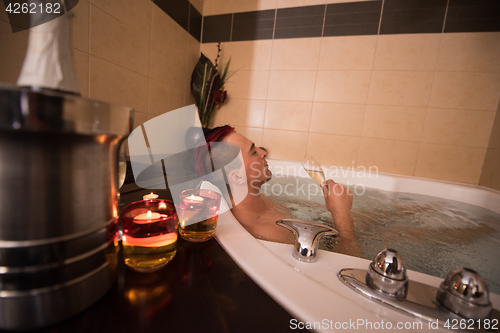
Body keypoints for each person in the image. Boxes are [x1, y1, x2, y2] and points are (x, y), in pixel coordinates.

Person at [194, 125, 360, 256]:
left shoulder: (258, 201)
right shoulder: (270, 233)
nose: (263, 152)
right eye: (253, 152)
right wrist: (342, 215)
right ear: (237, 178)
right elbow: (341, 267)